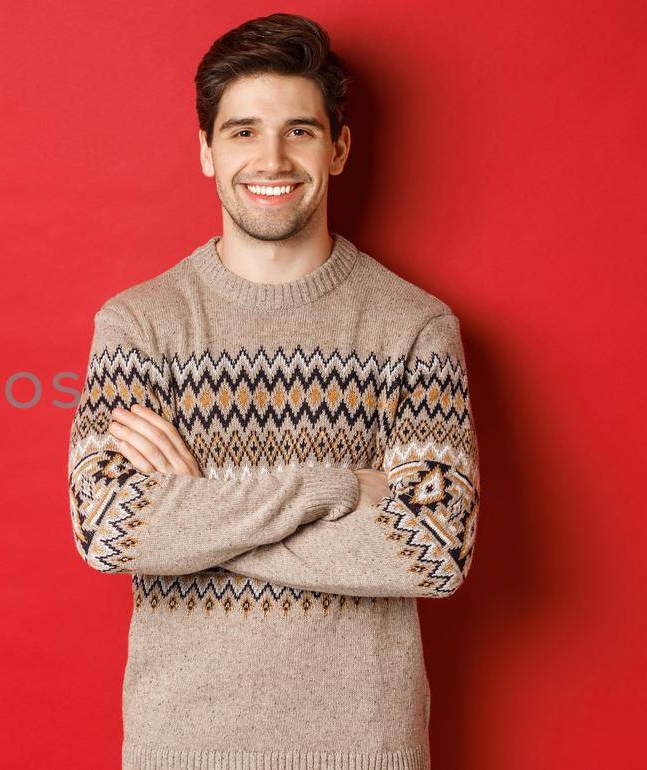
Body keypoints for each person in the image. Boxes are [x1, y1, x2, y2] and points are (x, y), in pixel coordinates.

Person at [66, 13, 479, 769]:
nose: (273, 157)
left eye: (300, 130)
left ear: (339, 148)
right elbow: (110, 532)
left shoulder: (414, 329)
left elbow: (434, 551)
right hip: (181, 746)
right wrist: (342, 487)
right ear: (206, 151)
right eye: (244, 131)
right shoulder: (139, 326)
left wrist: (199, 507)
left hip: (366, 748)